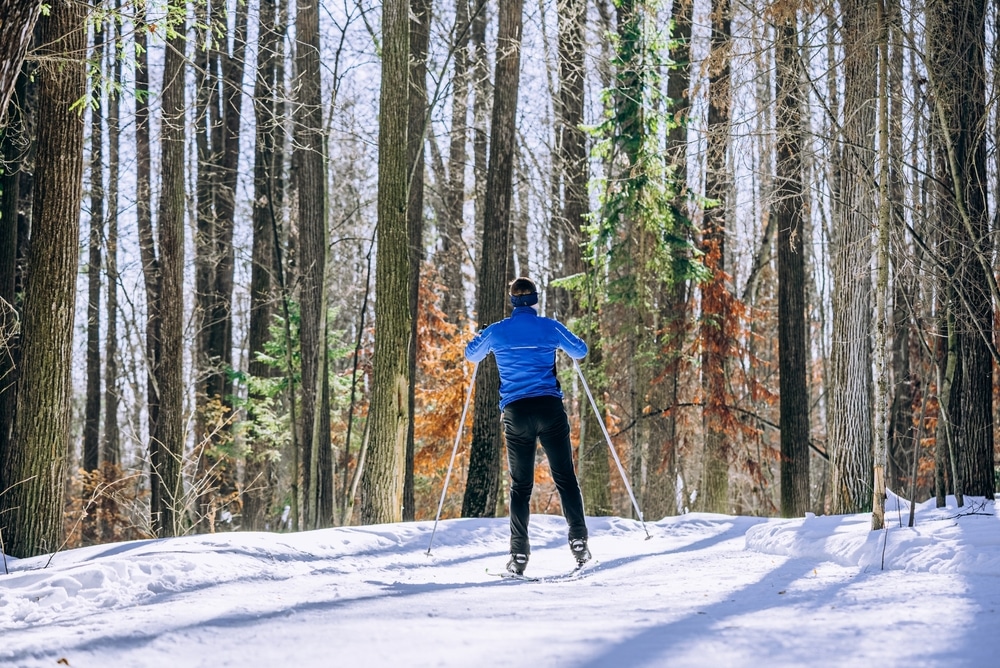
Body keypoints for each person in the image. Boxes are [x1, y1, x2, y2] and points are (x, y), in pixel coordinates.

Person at [465, 277, 591, 575]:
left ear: (512, 302)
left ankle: (519, 555)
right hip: (549, 409)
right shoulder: (549, 327)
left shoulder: (497, 331)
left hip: (517, 412)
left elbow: (472, 355)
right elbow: (580, 350)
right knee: (565, 478)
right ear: (534, 300)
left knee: (520, 487)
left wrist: (483, 336)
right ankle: (579, 542)